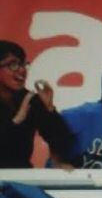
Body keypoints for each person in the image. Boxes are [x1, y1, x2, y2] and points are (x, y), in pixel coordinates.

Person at [0, 40, 73, 168]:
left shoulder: (30, 100)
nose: (22, 70)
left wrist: (50, 109)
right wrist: (16, 121)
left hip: (21, 178)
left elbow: (64, 144)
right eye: (13, 65)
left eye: (23, 64)